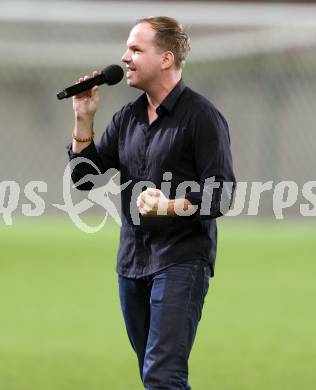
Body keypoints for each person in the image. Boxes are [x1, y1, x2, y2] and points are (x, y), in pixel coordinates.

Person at [67, 16, 235, 390]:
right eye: (127, 49)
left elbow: (221, 193)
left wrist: (169, 205)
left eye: (136, 49)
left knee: (162, 376)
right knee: (154, 376)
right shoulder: (127, 117)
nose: (125, 57)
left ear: (166, 58)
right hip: (132, 262)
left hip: (181, 260)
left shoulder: (202, 117)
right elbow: (84, 178)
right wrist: (83, 121)